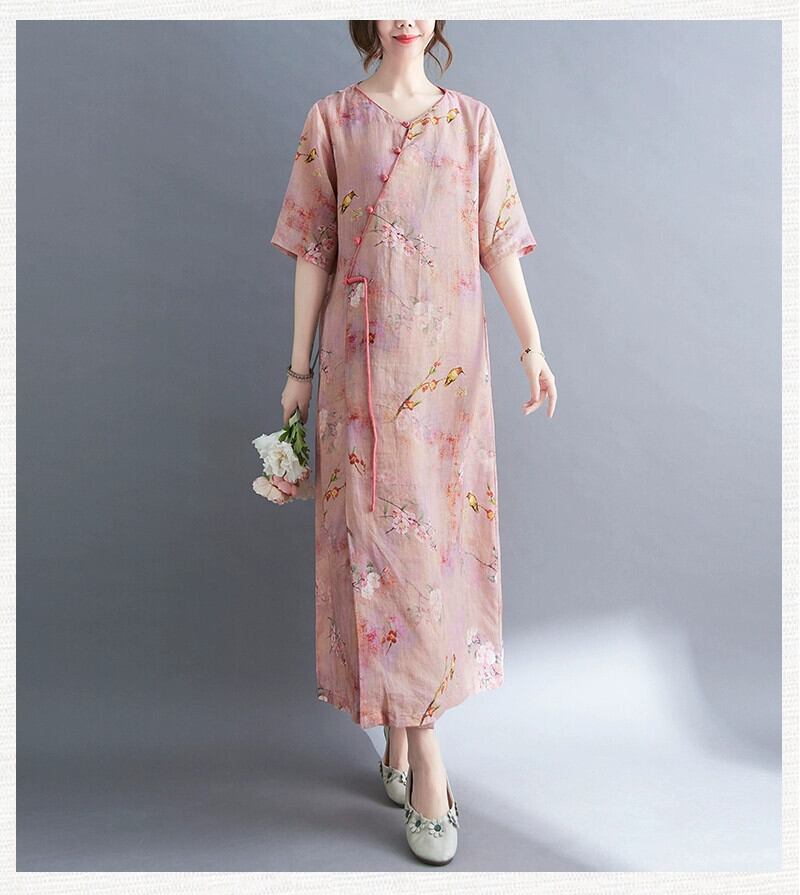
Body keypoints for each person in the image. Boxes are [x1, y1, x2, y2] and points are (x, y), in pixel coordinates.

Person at [270, 19, 557, 866]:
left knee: (430, 558)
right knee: (380, 551)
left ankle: (408, 736)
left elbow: (497, 238)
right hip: (360, 378)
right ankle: (423, 753)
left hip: (447, 386)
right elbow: (312, 247)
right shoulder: (332, 119)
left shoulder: (471, 122)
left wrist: (532, 343)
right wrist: (297, 370)